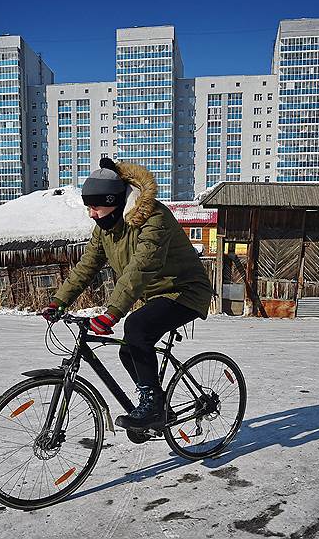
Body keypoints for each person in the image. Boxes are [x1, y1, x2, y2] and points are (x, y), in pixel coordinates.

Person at [41, 158, 213, 430]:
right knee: (127, 351)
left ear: (115, 201)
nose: (92, 214)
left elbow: (141, 267)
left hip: (186, 291)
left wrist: (112, 313)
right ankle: (157, 403)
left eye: (95, 206)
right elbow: (87, 266)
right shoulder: (106, 229)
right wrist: (58, 301)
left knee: (136, 327)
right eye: (89, 207)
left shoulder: (154, 218)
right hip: (155, 295)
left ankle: (153, 406)